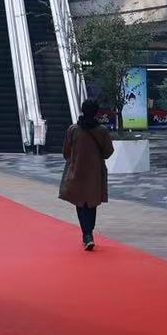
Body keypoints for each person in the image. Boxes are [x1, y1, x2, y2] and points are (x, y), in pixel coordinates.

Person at [58, 98, 113, 251]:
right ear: (96, 112)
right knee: (92, 203)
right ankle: (89, 233)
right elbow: (108, 152)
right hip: (95, 173)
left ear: (83, 110)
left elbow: (66, 152)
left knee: (80, 202)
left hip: (77, 170)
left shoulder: (73, 129)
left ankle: (87, 234)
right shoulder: (101, 131)